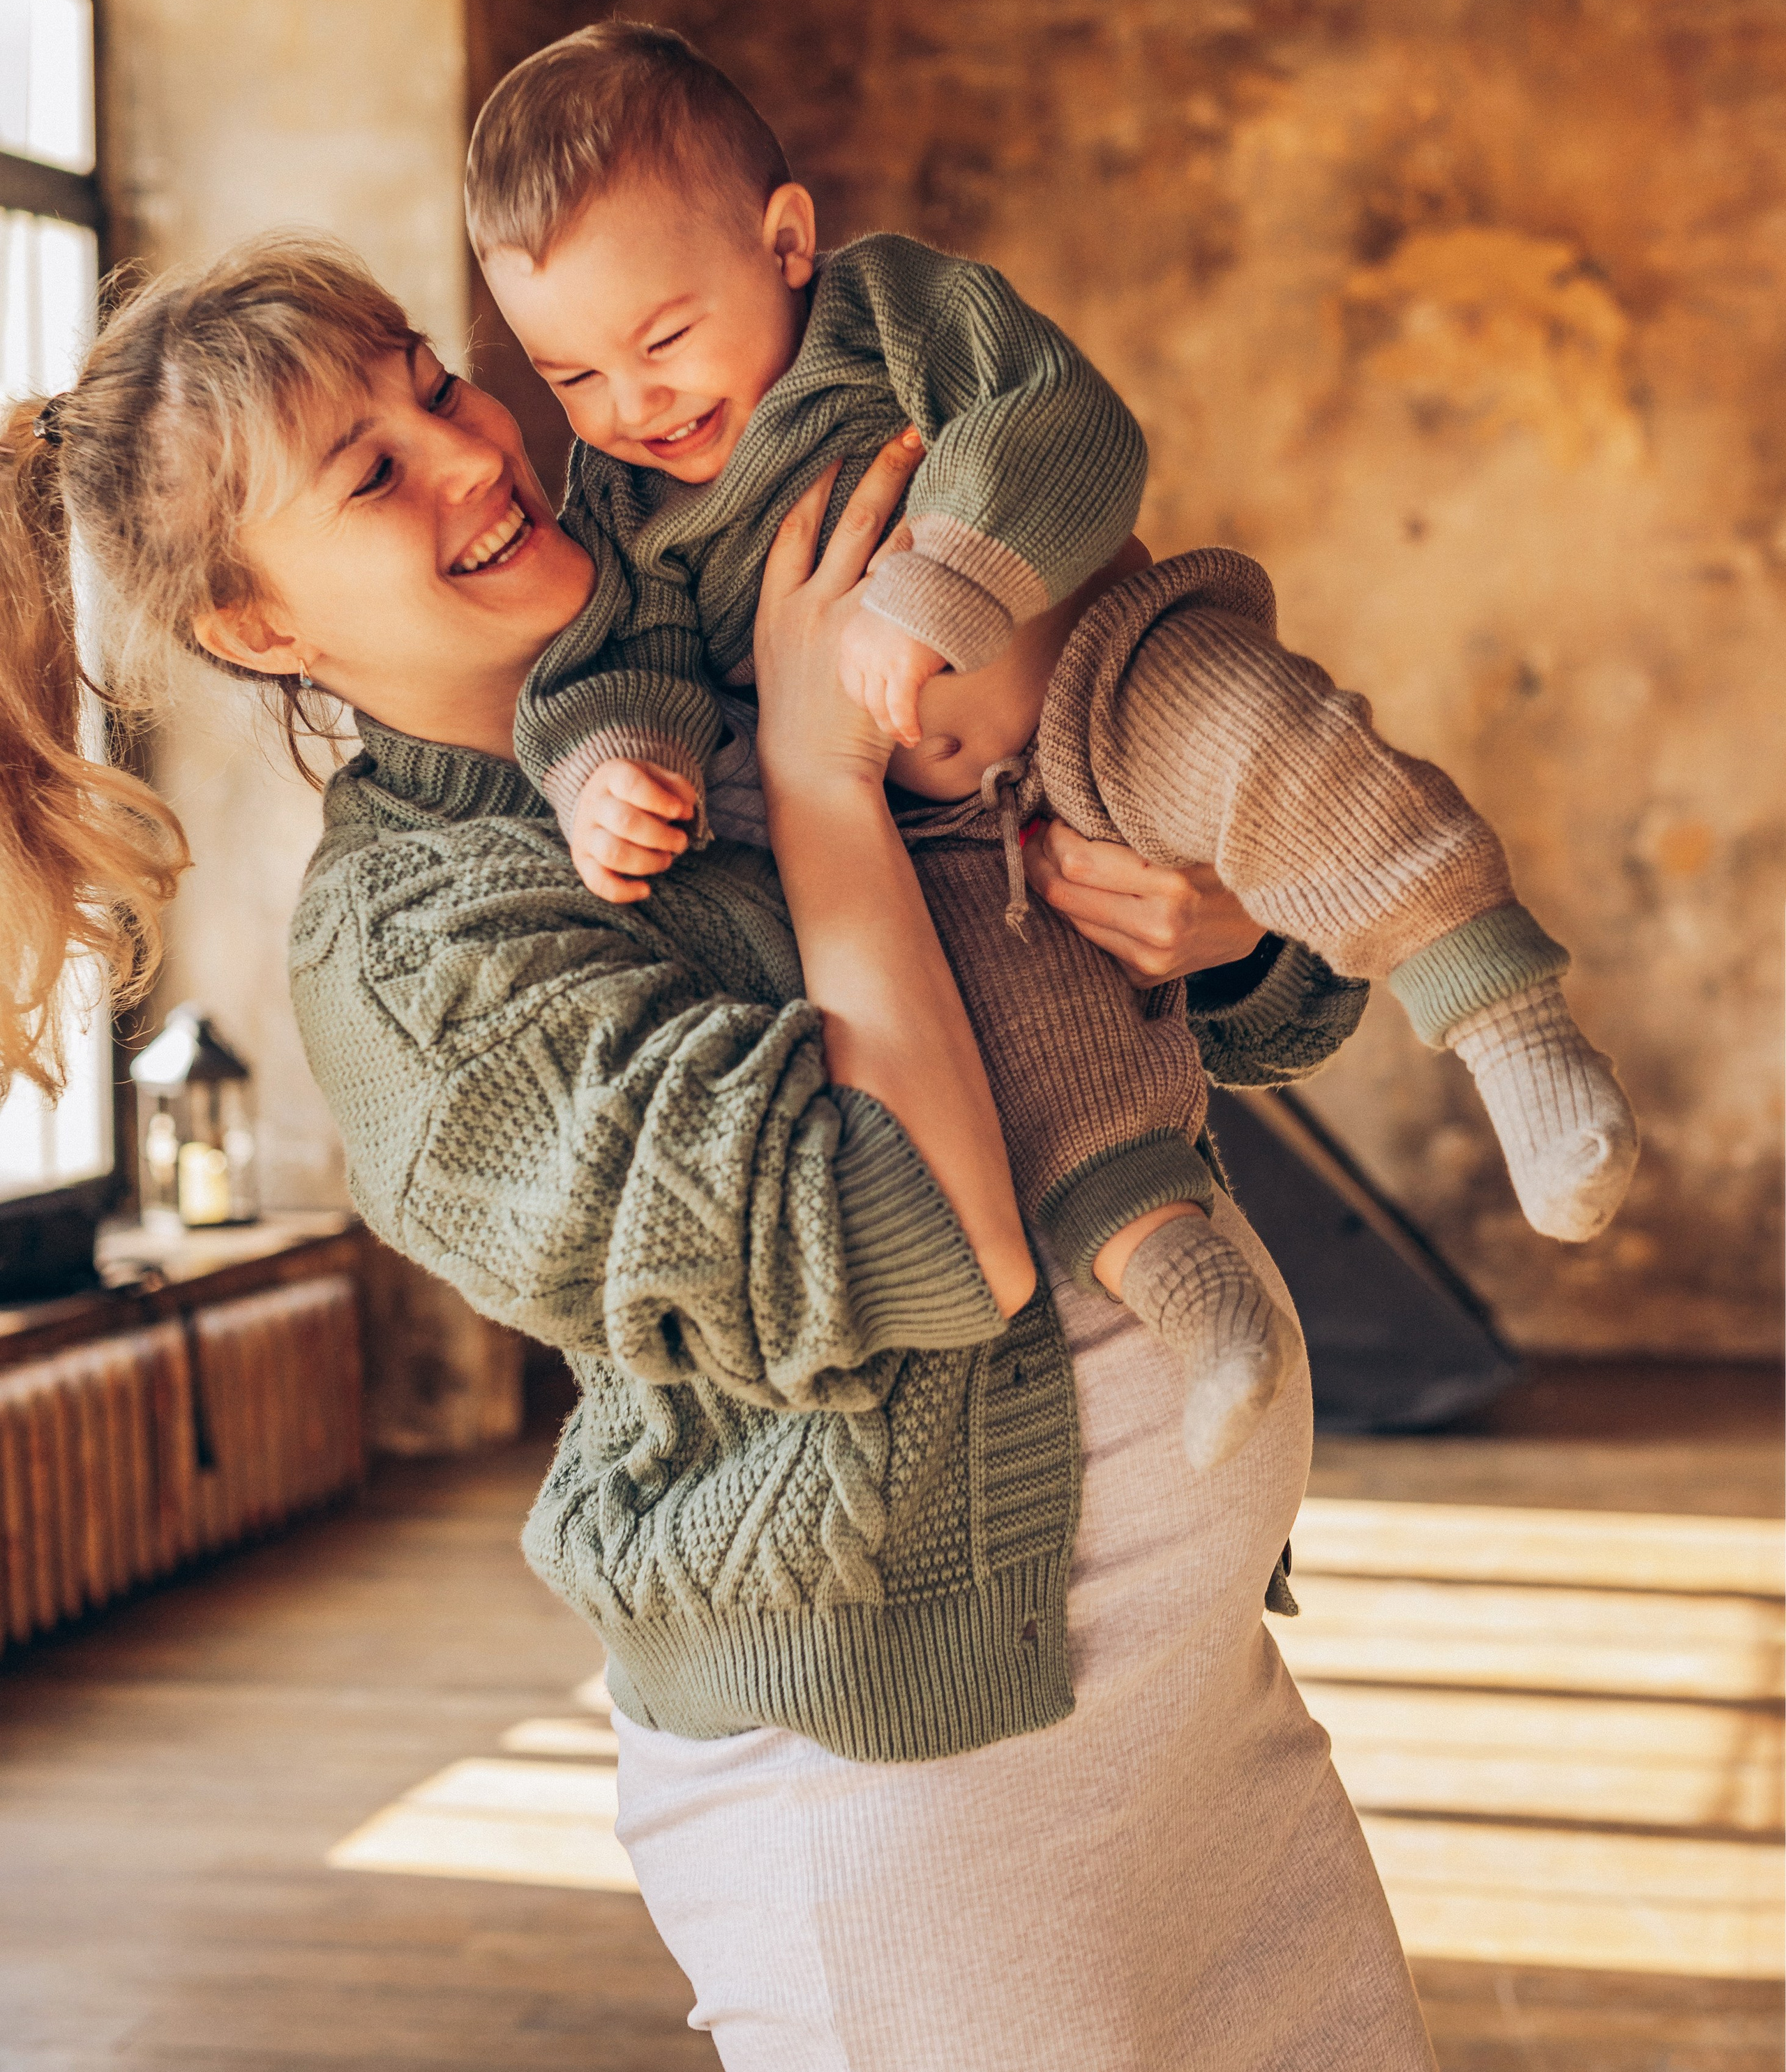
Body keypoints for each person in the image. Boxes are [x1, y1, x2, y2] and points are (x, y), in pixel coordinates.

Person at [1, 234, 1437, 2069]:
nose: (474, 449)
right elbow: (925, 1230)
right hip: (905, 1794)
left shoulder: (715, 637)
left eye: (435, 382)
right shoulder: (419, 957)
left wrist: (1223, 938)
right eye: (371, 472)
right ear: (259, 627)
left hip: (1193, 1703)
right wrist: (830, 782)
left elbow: (1237, 1015)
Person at [462, 17, 1637, 1464]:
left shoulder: (891, 312)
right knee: (1022, 1054)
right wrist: (604, 770)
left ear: (782, 240)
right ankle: (1193, 1298)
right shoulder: (623, 508)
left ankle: (1506, 1018)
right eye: (568, 375)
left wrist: (938, 582)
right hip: (943, 842)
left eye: (659, 339)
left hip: (1104, 673)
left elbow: (1061, 422)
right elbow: (608, 657)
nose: (630, 406)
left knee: (1279, 758)